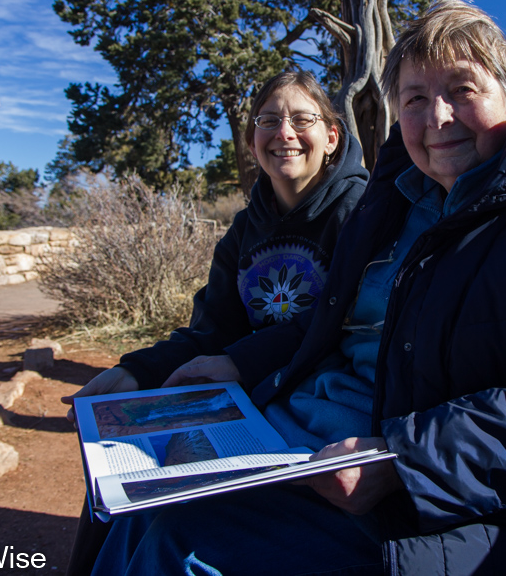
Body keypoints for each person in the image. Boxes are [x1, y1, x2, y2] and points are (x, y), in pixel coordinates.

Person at [92, 0, 506, 576]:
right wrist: (235, 362)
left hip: (458, 507)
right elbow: (325, 324)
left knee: (180, 541)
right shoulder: (393, 205)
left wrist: (402, 461)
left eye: (463, 89)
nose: (438, 117)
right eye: (415, 99)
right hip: (302, 443)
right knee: (130, 505)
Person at [61, 70, 369, 575]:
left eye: (301, 119)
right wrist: (135, 372)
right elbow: (212, 327)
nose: (284, 133)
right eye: (269, 120)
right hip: (253, 394)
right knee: (119, 487)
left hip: (312, 404)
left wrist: (238, 362)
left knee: (176, 528)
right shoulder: (245, 228)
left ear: (332, 136)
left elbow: (337, 319)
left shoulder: (360, 213)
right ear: (252, 140)